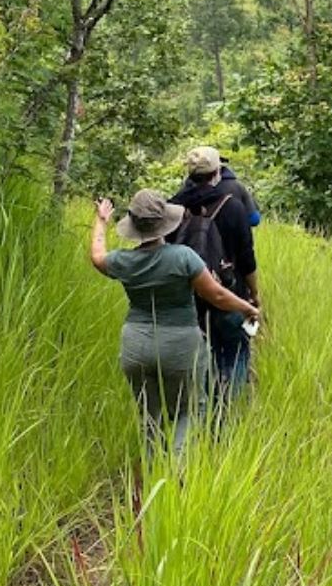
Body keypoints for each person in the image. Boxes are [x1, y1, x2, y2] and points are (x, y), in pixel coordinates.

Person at [90, 189, 259, 455]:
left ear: (134, 226)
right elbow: (216, 295)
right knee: (189, 410)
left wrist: (100, 221)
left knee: (150, 415)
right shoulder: (183, 257)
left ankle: (151, 473)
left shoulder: (124, 261)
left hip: (135, 345)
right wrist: (248, 308)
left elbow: (97, 256)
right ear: (165, 223)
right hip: (180, 343)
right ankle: (178, 475)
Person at [169, 146, 260, 407]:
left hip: (191, 299)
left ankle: (206, 409)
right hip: (230, 293)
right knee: (234, 351)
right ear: (217, 172)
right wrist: (254, 295)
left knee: (203, 354)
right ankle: (226, 413)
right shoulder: (232, 206)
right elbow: (247, 258)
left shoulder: (173, 207)